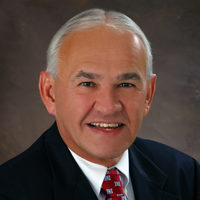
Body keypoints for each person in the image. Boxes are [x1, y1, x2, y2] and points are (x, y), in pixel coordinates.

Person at [0, 8, 199, 200]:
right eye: (87, 84)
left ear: (148, 94)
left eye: (126, 84)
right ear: (49, 93)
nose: (108, 107)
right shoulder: (9, 190)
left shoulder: (186, 177)